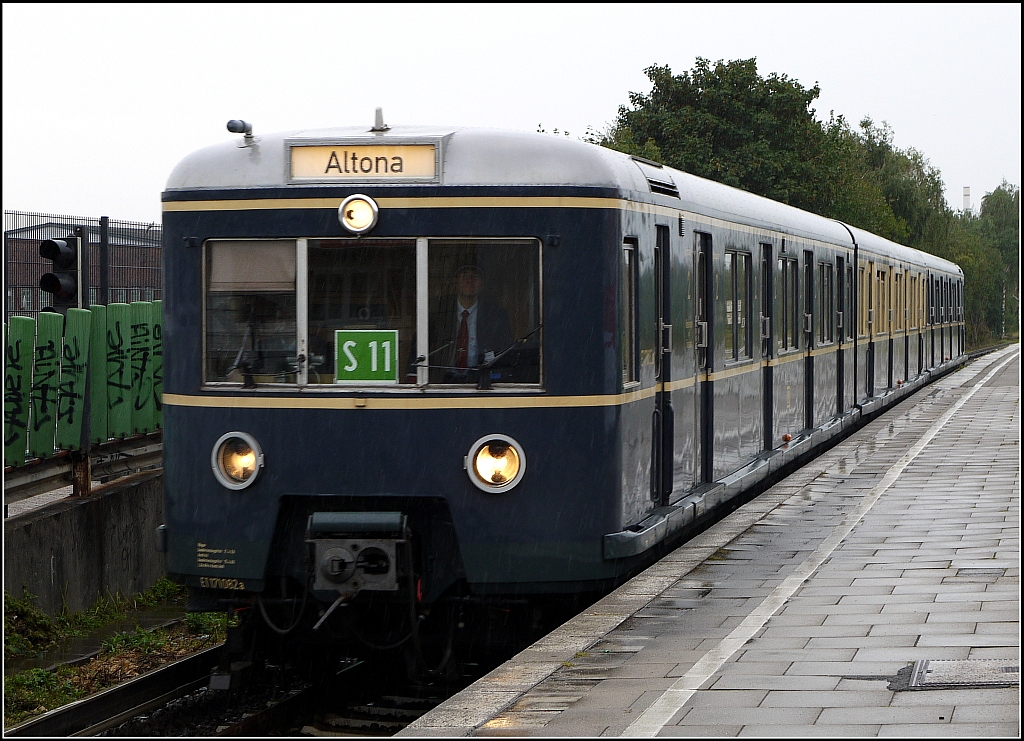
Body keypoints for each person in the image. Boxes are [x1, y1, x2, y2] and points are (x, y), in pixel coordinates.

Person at [432, 265, 513, 383]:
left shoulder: (496, 315)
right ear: (455, 281)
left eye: (474, 277)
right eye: (464, 276)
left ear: (482, 283)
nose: (469, 280)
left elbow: (506, 353)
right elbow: (420, 348)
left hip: (481, 381)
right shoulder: (439, 312)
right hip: (441, 382)